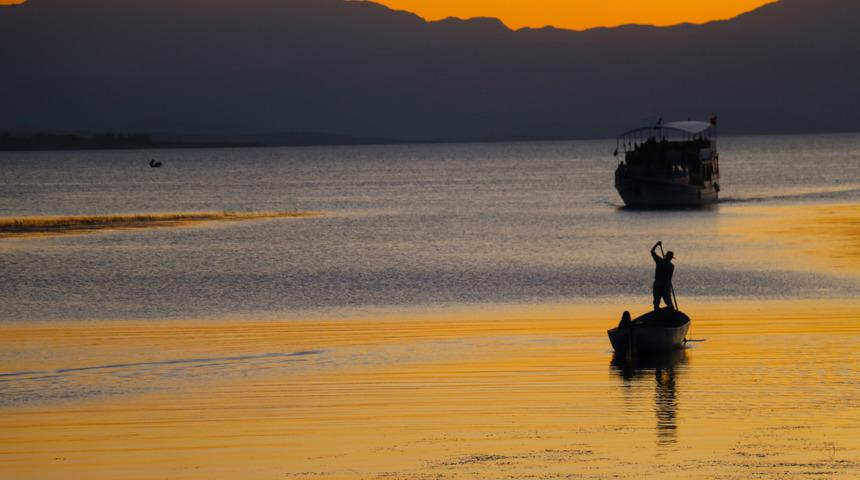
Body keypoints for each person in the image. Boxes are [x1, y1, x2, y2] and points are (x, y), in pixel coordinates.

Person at [650, 241, 674, 310]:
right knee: (667, 299)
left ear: (666, 256)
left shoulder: (659, 261)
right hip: (666, 283)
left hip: (658, 283)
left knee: (657, 299)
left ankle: (657, 309)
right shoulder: (671, 266)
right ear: (671, 258)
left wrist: (657, 244)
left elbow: (652, 251)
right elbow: (669, 277)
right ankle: (671, 308)